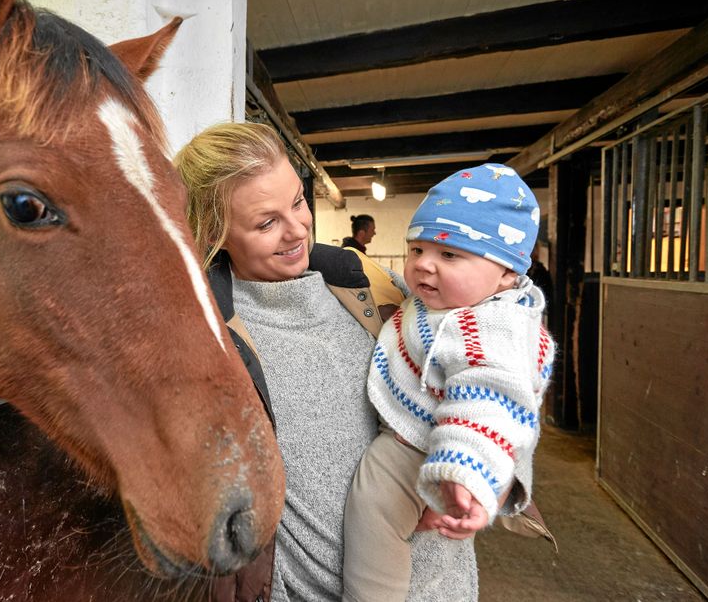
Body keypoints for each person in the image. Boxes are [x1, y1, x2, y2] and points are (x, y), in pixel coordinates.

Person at [174, 122, 480, 602]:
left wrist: (481, 475)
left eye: (298, 203)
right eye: (266, 223)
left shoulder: (373, 287)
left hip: (445, 584)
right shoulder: (206, 336)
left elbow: (483, 376)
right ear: (215, 232)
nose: (297, 230)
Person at [342, 164, 556, 602]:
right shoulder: (448, 303)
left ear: (506, 273)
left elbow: (489, 400)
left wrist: (463, 470)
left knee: (373, 510)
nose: (424, 264)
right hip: (428, 437)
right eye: (417, 249)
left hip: (428, 445)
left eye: (450, 255)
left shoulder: (491, 326)